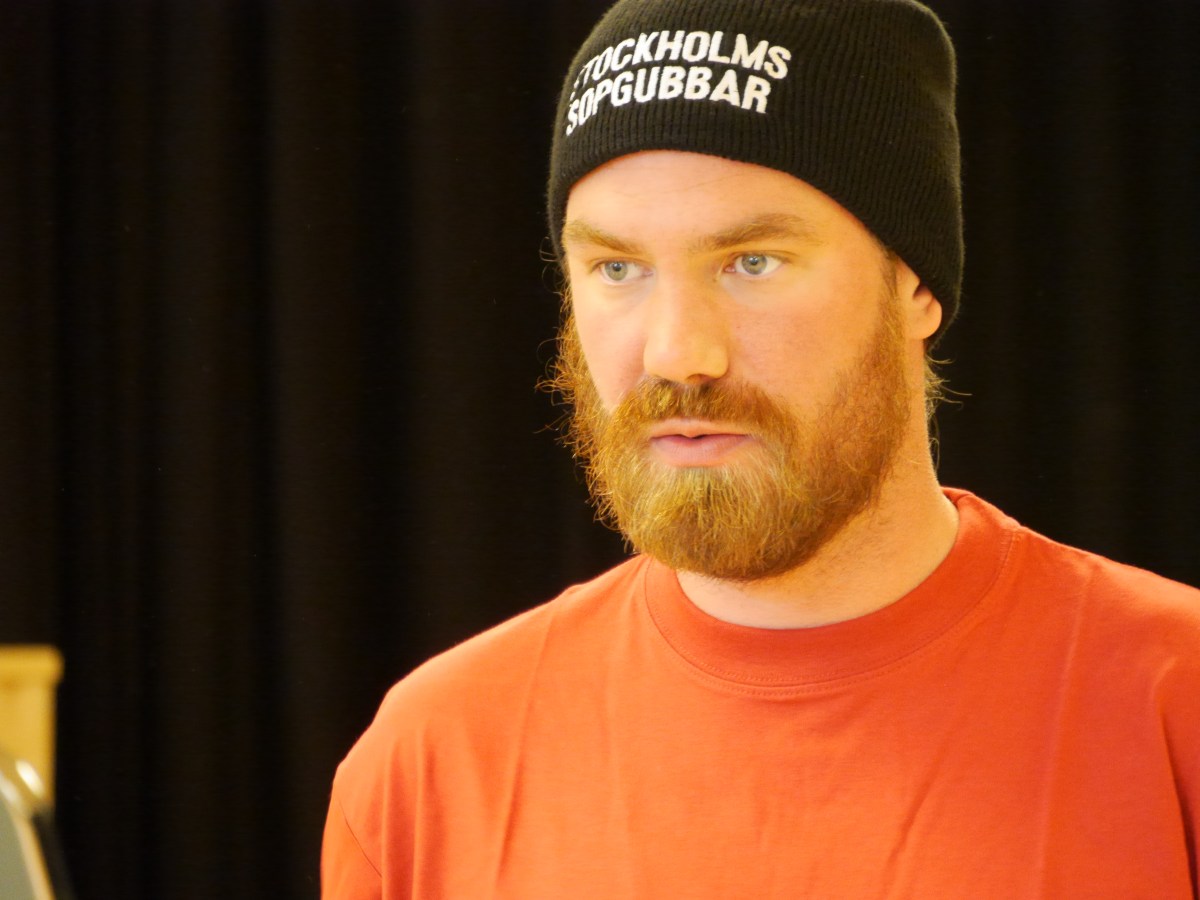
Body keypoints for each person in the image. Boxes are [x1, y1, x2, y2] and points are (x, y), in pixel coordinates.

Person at [321, 0, 1200, 896]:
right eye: (618, 269)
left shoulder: (1175, 701)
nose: (678, 354)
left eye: (752, 261)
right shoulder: (428, 767)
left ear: (916, 285)